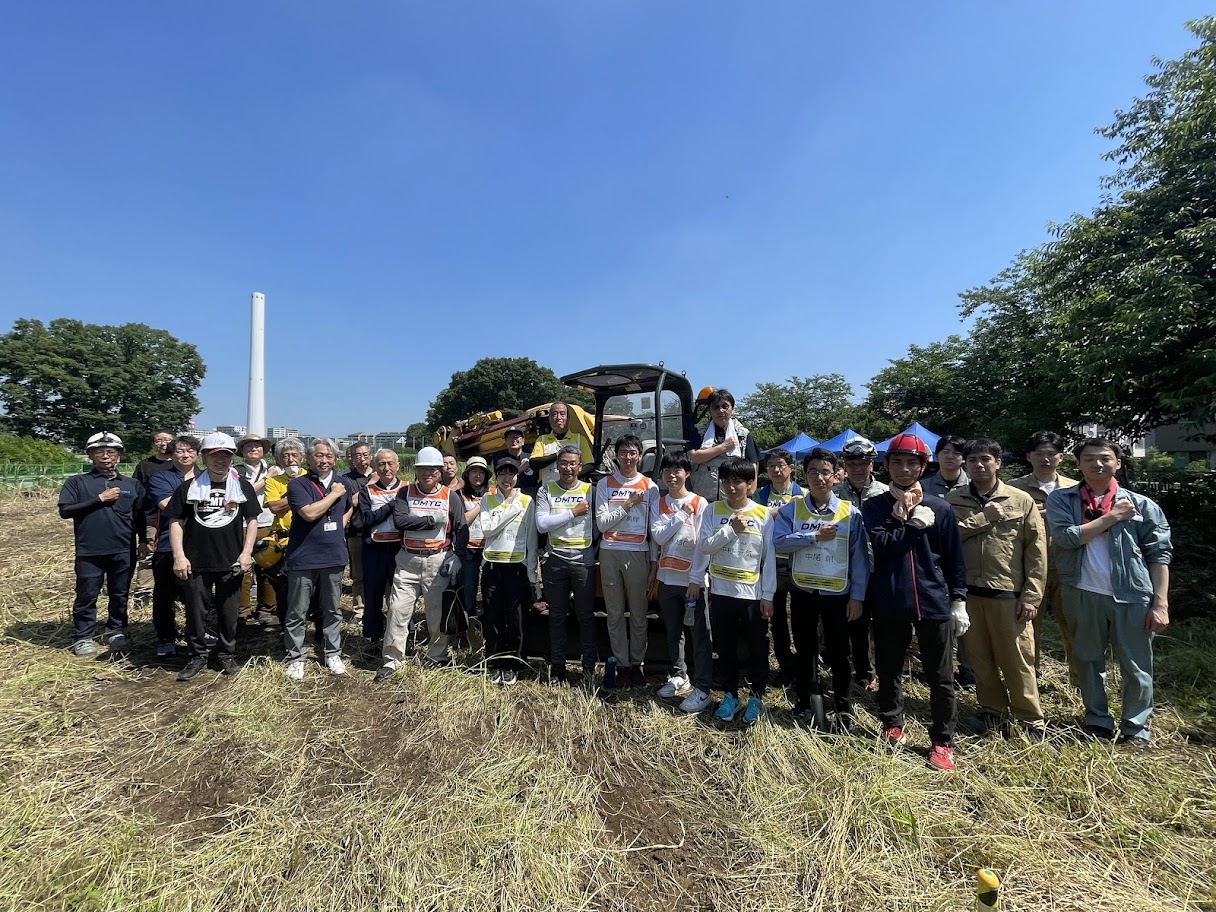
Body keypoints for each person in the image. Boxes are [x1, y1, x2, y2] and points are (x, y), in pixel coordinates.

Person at [1046, 438, 1172, 747]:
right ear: (1078, 464)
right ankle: (1097, 721)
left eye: (1105, 458)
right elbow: (1065, 539)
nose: (1097, 464)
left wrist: (1161, 603)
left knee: (1136, 665)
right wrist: (1112, 517)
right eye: (1089, 458)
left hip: (1133, 594)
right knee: (1088, 661)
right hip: (1081, 591)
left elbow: (1159, 555)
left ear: (1118, 463)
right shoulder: (1063, 499)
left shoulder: (1142, 505)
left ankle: (1135, 728)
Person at [863, 433, 968, 772]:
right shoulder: (875, 507)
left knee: (940, 675)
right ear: (886, 465)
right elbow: (883, 546)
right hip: (890, 598)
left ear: (923, 466)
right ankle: (892, 723)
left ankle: (942, 741)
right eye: (897, 462)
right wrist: (913, 526)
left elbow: (953, 558)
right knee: (889, 668)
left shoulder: (940, 507)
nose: (904, 469)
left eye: (912, 462)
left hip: (932, 599)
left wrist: (959, 599)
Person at [945, 438, 1048, 739]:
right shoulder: (953, 500)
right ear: (965, 464)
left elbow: (1037, 551)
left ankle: (1030, 720)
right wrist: (982, 519)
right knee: (979, 658)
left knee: (1017, 659)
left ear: (998, 463)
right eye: (973, 460)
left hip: (1008, 594)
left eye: (985, 459)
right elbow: (946, 539)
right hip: (968, 594)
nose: (979, 465)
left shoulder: (1020, 500)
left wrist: (1032, 596)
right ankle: (992, 711)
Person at [773, 447, 870, 731]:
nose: (819, 477)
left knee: (840, 652)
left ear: (836, 475)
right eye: (813, 472)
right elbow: (779, 542)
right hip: (803, 591)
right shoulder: (792, 510)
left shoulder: (849, 513)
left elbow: (860, 559)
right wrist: (813, 535)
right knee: (804, 649)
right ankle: (804, 701)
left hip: (837, 594)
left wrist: (857, 596)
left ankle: (843, 707)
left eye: (825, 472)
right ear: (804, 475)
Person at [164, 433, 260, 681]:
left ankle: (226, 654)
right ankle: (197, 655)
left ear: (232, 458)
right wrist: (179, 556)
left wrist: (246, 552)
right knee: (196, 612)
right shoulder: (188, 487)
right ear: (204, 457)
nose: (221, 460)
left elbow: (251, 520)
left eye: (226, 456)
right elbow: (176, 522)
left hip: (231, 560)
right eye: (215, 456)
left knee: (229, 612)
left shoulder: (242, 486)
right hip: (196, 561)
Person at [688, 457, 776, 724]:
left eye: (737, 481)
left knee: (757, 649)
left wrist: (768, 596)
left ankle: (756, 697)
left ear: (750, 484)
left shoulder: (762, 514)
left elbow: (768, 558)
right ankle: (730, 696)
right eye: (726, 481)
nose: (731, 487)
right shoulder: (712, 510)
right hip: (721, 592)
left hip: (752, 596)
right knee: (725, 649)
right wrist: (730, 530)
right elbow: (704, 546)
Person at [376, 446, 466, 681]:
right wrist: (431, 520)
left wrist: (458, 555)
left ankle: (437, 655)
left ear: (440, 471)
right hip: (408, 561)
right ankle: (392, 660)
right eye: (422, 469)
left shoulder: (450, 496)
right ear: (416, 470)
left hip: (438, 560)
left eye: (433, 469)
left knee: (436, 613)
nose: (428, 473)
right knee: (397, 610)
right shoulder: (405, 493)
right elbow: (400, 521)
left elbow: (461, 528)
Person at [58, 432, 147, 656]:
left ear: (119, 455)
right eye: (99, 452)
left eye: (111, 452)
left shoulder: (131, 484)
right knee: (87, 594)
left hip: (123, 548)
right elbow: (65, 511)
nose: (106, 456)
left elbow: (140, 516)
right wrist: (99, 499)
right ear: (90, 455)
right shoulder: (77, 482)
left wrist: (144, 541)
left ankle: (116, 630)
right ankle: (83, 636)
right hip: (90, 549)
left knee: (120, 593)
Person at [1009, 431, 1080, 680]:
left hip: (1068, 566)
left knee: (1073, 625)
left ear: (1061, 457)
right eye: (1039, 454)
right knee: (1027, 628)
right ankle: (1031, 679)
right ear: (1029, 457)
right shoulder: (1014, 488)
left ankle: (1079, 680)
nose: (1045, 459)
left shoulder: (1075, 488)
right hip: (1029, 568)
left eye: (1051, 454)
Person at [283, 438, 355, 681]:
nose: (324, 460)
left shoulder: (344, 483)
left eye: (329, 456)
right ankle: (296, 656)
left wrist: (340, 525)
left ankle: (333, 652)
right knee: (298, 610)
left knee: (332, 609)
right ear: (309, 459)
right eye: (319, 455)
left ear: (336, 459)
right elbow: (309, 513)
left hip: (333, 556)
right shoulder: (298, 484)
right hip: (303, 556)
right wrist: (333, 495)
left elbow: (349, 507)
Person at [648, 450, 713, 712]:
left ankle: (703, 686)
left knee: (699, 634)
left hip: (692, 582)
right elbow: (659, 537)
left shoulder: (700, 503)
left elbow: (703, 544)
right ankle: (679, 675)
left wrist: (696, 580)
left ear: (687, 473)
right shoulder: (659, 503)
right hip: (667, 579)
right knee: (673, 631)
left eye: (677, 471)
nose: (672, 476)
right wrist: (680, 515)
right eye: (667, 471)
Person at [595, 433, 659, 688]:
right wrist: (628, 505)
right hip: (610, 550)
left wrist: (653, 563)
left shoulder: (650, 487)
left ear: (640, 456)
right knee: (614, 613)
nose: (628, 457)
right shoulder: (605, 484)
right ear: (616, 455)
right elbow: (602, 524)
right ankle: (622, 665)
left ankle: (637, 664)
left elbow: (653, 530)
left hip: (638, 552)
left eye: (633, 453)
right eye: (624, 452)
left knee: (639, 613)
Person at [536, 445, 598, 688]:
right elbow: (542, 525)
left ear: (580, 467)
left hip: (584, 559)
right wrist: (573, 512)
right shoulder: (546, 490)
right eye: (563, 463)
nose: (568, 468)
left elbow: (598, 524)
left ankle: (589, 667)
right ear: (557, 465)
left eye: (573, 463)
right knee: (557, 616)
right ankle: (558, 667)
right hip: (555, 559)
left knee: (586, 616)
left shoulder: (590, 490)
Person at [833, 436, 888, 692]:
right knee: (854, 622)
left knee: (884, 624)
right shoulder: (834, 495)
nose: (857, 468)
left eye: (863, 463)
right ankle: (861, 670)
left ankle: (885, 671)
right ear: (844, 464)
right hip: (847, 569)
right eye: (852, 463)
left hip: (881, 568)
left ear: (872, 465)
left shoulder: (886, 493)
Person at [921, 435, 976, 688]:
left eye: (956, 452)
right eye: (945, 451)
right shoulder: (923, 487)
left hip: (969, 561)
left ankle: (968, 670)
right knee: (936, 621)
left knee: (966, 619)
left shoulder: (975, 485)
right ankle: (937, 671)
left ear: (963, 458)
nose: (950, 456)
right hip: (932, 563)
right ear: (936, 455)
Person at [479, 457, 540, 684]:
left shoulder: (527, 501)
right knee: (493, 615)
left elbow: (531, 538)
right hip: (492, 566)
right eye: (502, 474)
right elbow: (487, 530)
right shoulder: (488, 499)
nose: (507, 479)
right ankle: (495, 662)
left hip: (517, 568)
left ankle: (514, 663)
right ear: (496, 476)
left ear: (517, 476)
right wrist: (511, 510)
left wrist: (532, 571)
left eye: (511, 474)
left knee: (516, 618)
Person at [145, 434, 200, 656]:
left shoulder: (207, 476)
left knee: (197, 595)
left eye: (190, 451)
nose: (185, 455)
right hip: (167, 545)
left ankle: (197, 634)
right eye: (180, 451)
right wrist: (206, 506)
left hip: (200, 545)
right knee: (164, 594)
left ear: (197, 454)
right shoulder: (160, 478)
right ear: (172, 454)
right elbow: (168, 506)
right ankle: (166, 637)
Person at [753, 448, 803, 688]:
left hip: (799, 566)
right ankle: (785, 668)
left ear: (791, 468)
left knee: (802, 622)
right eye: (771, 465)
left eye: (781, 465)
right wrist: (784, 509)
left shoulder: (803, 493)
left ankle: (805, 668)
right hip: (771, 567)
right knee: (778, 621)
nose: (776, 469)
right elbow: (756, 518)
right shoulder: (760, 495)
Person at [358, 449, 403, 643]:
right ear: (375, 467)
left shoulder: (407, 488)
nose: (386, 468)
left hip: (400, 549)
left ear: (397, 466)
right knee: (373, 594)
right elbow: (367, 519)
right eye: (382, 464)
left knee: (401, 596)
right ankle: (373, 637)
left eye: (390, 463)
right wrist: (392, 505)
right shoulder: (366, 491)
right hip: (374, 550)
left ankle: (401, 636)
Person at [263, 437, 307, 623]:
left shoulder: (311, 477)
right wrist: (300, 496)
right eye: (285, 456)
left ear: (302, 457)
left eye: (294, 455)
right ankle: (286, 627)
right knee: (284, 587)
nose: (290, 459)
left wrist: (288, 500)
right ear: (279, 460)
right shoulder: (273, 481)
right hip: (284, 540)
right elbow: (274, 506)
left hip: (308, 539)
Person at [688, 389, 759, 501]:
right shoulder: (700, 433)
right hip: (703, 500)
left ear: (732, 409)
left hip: (735, 500)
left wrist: (750, 491)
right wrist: (723, 447)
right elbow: (693, 458)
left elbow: (753, 464)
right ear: (709, 411)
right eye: (716, 407)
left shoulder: (743, 434)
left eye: (725, 406)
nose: (720, 410)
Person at [236, 434, 276, 625]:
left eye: (257, 446)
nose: (253, 449)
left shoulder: (274, 469)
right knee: (242, 570)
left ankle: (267, 609)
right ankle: (242, 610)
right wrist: (267, 479)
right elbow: (243, 491)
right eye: (249, 446)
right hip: (243, 525)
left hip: (268, 523)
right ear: (242, 452)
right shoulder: (236, 471)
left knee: (268, 567)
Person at [133, 429, 176, 590]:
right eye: (158, 440)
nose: (163, 443)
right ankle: (144, 589)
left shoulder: (181, 463)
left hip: (176, 517)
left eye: (167, 439)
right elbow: (136, 490)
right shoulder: (145, 465)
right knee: (148, 554)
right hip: (151, 517)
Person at [343, 442, 375, 619]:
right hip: (356, 531)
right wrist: (371, 484)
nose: (362, 459)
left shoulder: (380, 474)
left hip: (379, 532)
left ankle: (379, 608)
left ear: (371, 456)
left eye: (365, 455)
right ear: (352, 458)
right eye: (358, 455)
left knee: (381, 574)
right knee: (358, 575)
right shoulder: (346, 479)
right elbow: (352, 501)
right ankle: (359, 609)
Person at [456, 456, 490, 618]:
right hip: (468, 549)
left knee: (490, 587)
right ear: (467, 474)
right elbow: (462, 521)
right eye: (474, 471)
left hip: (490, 549)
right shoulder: (458, 495)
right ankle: (468, 620)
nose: (478, 475)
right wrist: (480, 505)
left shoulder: (494, 493)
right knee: (468, 587)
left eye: (481, 472)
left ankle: (487, 619)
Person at [530, 402, 594, 486]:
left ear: (568, 418)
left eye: (562, 414)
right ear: (549, 419)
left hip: (573, 490)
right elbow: (534, 463)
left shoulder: (580, 439)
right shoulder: (542, 440)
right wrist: (558, 455)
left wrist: (569, 476)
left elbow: (590, 465)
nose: (558, 417)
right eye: (554, 414)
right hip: (549, 490)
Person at [504, 426, 539, 497]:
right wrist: (521, 469)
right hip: (512, 499)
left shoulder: (532, 457)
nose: (513, 440)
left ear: (523, 441)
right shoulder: (502, 461)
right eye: (510, 437)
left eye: (516, 437)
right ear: (506, 442)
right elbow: (503, 482)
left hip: (532, 498)